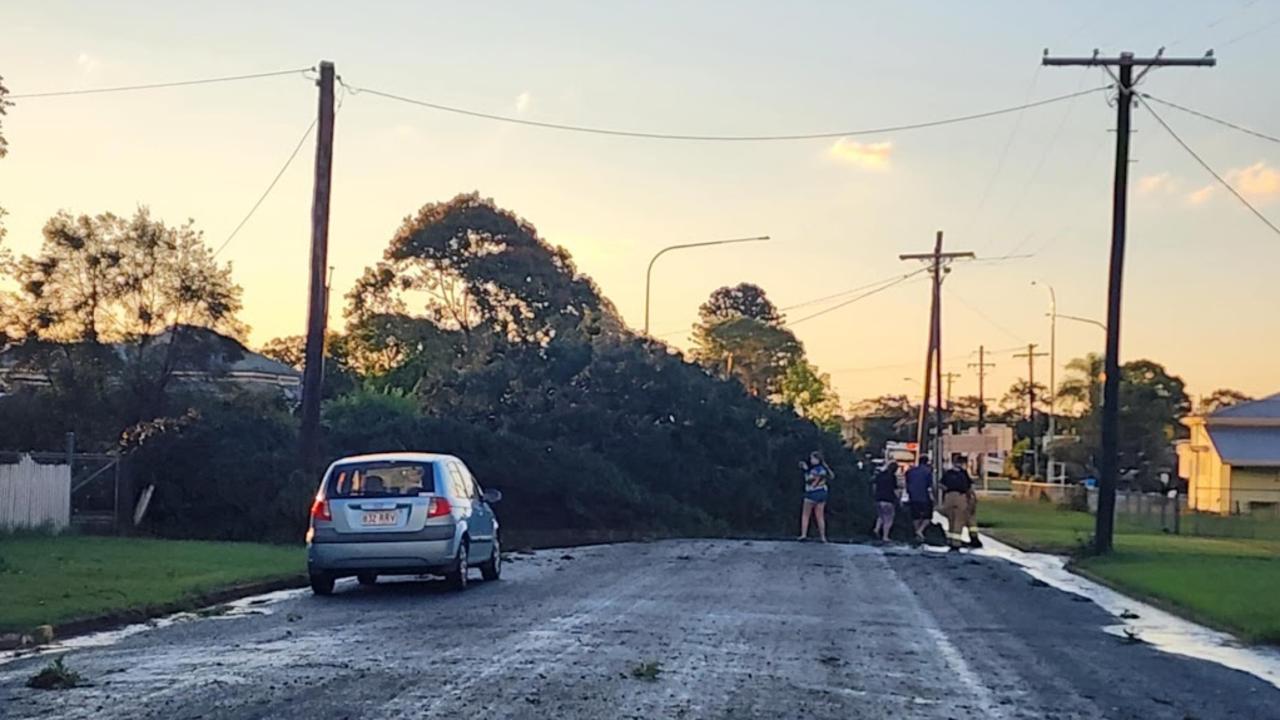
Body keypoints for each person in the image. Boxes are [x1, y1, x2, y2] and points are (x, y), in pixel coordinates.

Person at [940, 455, 975, 551]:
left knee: (951, 520)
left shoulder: (948, 473)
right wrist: (971, 498)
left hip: (949, 497)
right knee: (959, 520)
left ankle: (950, 540)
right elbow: (969, 487)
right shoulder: (963, 473)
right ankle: (956, 542)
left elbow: (941, 485)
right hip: (960, 496)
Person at [798, 450, 833, 542]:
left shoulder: (814, 470)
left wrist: (806, 470)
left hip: (812, 492)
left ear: (817, 459)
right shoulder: (824, 469)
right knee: (820, 516)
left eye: (812, 458)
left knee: (805, 514)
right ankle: (823, 537)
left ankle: (803, 534)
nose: (811, 460)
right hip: (822, 492)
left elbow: (810, 481)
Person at [904, 455, 934, 544]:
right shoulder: (928, 472)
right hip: (924, 497)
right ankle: (920, 531)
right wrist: (932, 497)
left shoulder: (910, 471)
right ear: (927, 462)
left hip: (913, 497)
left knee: (916, 516)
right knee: (927, 517)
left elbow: (907, 484)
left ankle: (917, 533)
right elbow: (929, 487)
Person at [871, 461, 900, 542]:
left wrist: (875, 495)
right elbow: (895, 490)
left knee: (881, 516)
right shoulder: (892, 477)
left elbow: (874, 485)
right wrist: (898, 499)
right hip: (888, 500)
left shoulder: (880, 475)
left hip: (878, 499)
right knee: (888, 519)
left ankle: (876, 529)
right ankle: (885, 536)